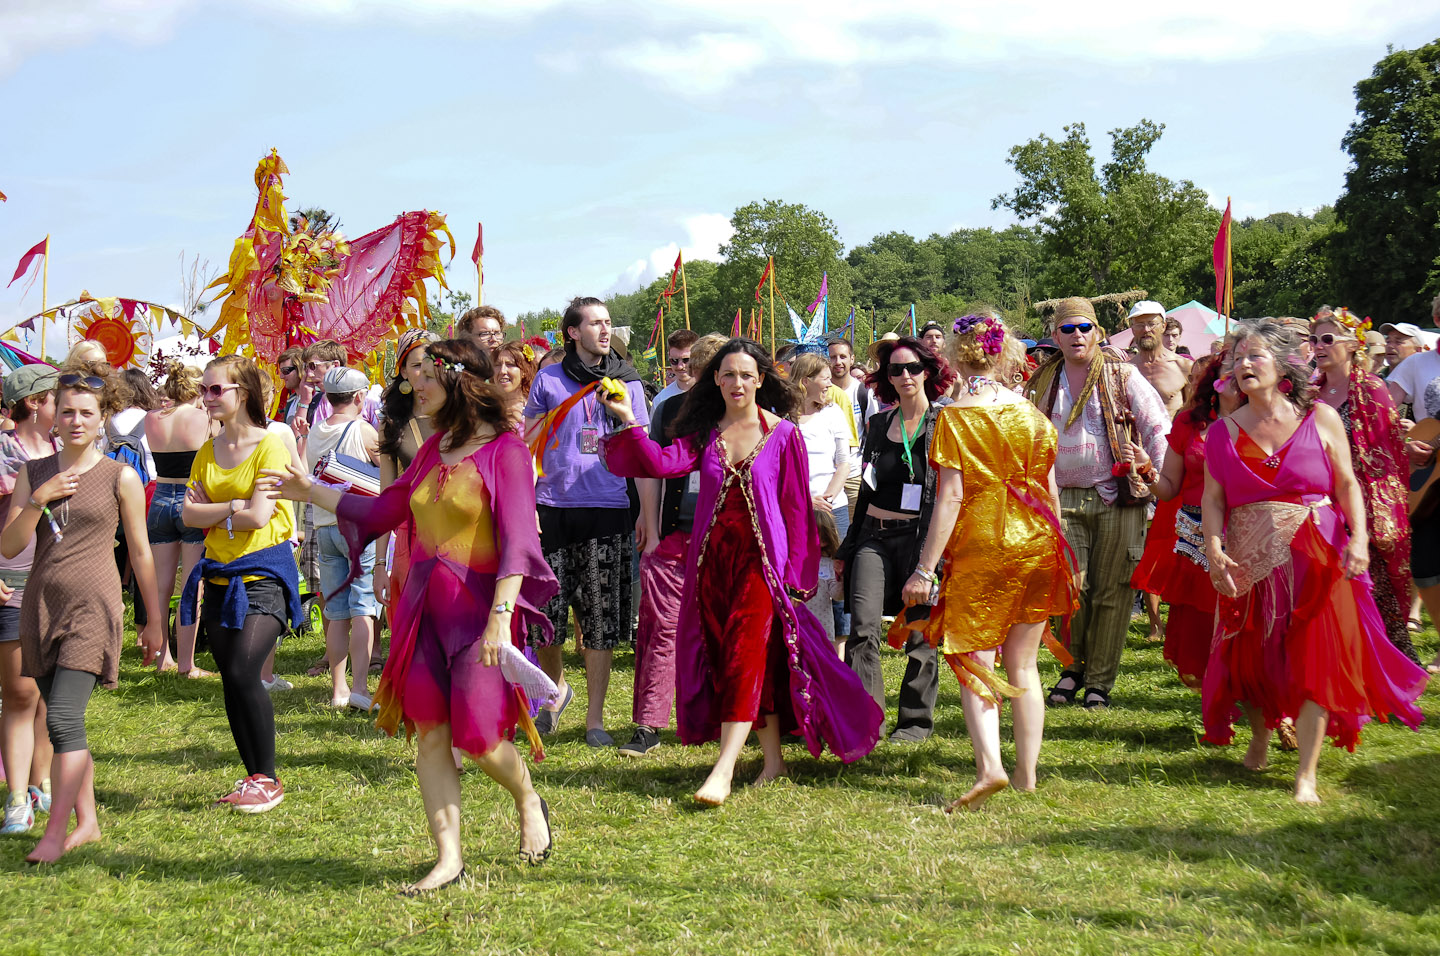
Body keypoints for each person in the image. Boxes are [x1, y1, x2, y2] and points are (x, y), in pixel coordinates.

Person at [265, 336, 557, 891]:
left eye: (424, 374)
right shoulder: (430, 449)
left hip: (479, 614)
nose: (412, 385)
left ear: (459, 378)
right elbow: (384, 507)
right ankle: (448, 857)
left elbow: (519, 542)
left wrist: (500, 616)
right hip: (422, 610)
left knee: (477, 737)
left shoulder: (507, 452)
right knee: (429, 732)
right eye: (411, 376)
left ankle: (528, 798)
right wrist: (312, 491)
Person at [599, 338, 882, 805]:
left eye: (746, 374)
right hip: (710, 567)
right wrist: (629, 421)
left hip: (761, 568)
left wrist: (799, 575)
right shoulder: (701, 433)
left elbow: (794, 508)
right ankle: (773, 762)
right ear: (715, 379)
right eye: (728, 374)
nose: (737, 383)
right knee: (752, 661)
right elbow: (660, 462)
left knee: (743, 658)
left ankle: (724, 769)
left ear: (761, 379)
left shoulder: (782, 434)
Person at [1199, 319, 1427, 804]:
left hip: (1318, 553)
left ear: (1283, 364)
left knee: (1316, 657)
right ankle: (1261, 734)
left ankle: (1306, 773)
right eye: (1237, 358)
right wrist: (1214, 546)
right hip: (1249, 555)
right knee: (1255, 654)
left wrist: (1360, 539)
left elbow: (1347, 484)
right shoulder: (1221, 433)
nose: (1243, 365)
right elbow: (1213, 499)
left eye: (1254, 356)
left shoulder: (1320, 418)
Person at [901, 314, 1076, 809]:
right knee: (1024, 663)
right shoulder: (1032, 414)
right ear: (1006, 356)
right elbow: (1051, 488)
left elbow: (950, 498)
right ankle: (1026, 774)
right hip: (1038, 541)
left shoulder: (955, 415)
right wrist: (1062, 549)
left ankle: (990, 768)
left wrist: (924, 568)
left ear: (957, 356)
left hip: (983, 542)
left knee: (976, 660)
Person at [1, 363, 165, 862]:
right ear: (54, 417)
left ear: (103, 418)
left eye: (86, 413)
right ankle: (88, 821)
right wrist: (38, 501)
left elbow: (140, 551)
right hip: (40, 606)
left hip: (94, 606)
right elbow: (9, 547)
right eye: (67, 411)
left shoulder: (122, 475)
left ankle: (54, 835)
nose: (75, 421)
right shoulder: (33, 473)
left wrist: (153, 620)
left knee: (65, 718)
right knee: (61, 724)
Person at [1025, 297, 1170, 710]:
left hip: (1118, 496)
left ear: (1098, 334)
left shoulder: (1122, 374)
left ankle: (1099, 682)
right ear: (1055, 336)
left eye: (1084, 328)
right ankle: (1072, 669)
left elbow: (1157, 427)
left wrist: (1162, 481)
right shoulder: (1041, 382)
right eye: (1067, 329)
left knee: (1114, 591)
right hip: (1059, 497)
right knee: (1072, 588)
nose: (1076, 336)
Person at [522, 296, 647, 746]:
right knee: (546, 617)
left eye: (609, 322)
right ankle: (555, 693)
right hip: (552, 508)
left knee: (600, 618)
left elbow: (641, 450)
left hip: (608, 509)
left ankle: (595, 719)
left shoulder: (627, 380)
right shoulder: (548, 379)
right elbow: (528, 444)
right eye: (595, 323)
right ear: (573, 333)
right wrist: (527, 505)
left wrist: (644, 515)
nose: (605, 330)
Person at [180, 355, 301, 813]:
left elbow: (258, 517)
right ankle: (254, 776)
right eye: (204, 390)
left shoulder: (271, 446)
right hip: (217, 575)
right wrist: (233, 508)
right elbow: (187, 515)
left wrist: (221, 509)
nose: (207, 398)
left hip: (264, 575)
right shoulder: (208, 450)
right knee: (232, 682)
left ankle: (268, 778)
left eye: (216, 390)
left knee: (241, 672)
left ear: (242, 393)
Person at [835, 336, 955, 742]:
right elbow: (866, 490)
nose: (905, 376)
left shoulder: (946, 423)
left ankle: (915, 722)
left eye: (913, 368)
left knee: (920, 631)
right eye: (895, 370)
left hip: (921, 540)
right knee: (863, 627)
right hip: (873, 535)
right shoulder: (876, 424)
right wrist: (847, 548)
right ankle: (868, 721)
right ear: (886, 378)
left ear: (929, 372)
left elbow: (951, 492)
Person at [625, 332, 727, 758]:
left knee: (724, 631)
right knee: (662, 628)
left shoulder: (752, 415)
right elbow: (649, 468)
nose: (693, 377)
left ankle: (730, 719)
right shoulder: (668, 409)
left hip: (726, 538)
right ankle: (649, 723)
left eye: (705, 371)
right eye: (692, 369)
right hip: (672, 533)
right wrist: (647, 522)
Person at [1310, 307, 1417, 662]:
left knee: (1375, 590)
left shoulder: (1371, 388)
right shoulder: (1309, 392)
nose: (1318, 347)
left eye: (1327, 339)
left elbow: (1387, 456)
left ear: (1353, 345)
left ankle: (1390, 664)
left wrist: (1372, 517)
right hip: (1320, 505)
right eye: (1314, 340)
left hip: (1364, 504)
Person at [1129, 354, 1242, 689]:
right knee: (1202, 633)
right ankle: (1218, 701)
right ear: (1216, 379)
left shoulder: (1267, 421)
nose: (1239, 374)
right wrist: (1146, 468)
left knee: (1254, 623)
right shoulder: (1188, 423)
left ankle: (1276, 710)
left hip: (1250, 532)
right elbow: (1168, 489)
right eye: (1230, 369)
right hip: (1197, 539)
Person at [0, 366, 58, 835]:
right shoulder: (4, 451)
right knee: (20, 691)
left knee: (48, 693)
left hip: (57, 584)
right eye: (58, 397)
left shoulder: (64, 453)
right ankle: (16, 798)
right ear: (35, 402)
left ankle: (43, 782)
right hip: (10, 583)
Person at [305, 366, 382, 709]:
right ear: (359, 397)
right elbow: (388, 472)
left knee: (335, 611)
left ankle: (338, 689)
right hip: (358, 526)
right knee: (363, 607)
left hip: (324, 525)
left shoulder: (314, 431)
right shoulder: (363, 430)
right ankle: (361, 688)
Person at [145, 360, 214, 677]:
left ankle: (162, 658)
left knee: (160, 585)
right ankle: (186, 663)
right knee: (191, 585)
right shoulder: (205, 418)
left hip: (159, 498)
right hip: (191, 499)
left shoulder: (151, 418)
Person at [375, 330, 440, 619]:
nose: (425, 373)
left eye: (433, 365)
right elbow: (385, 500)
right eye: (416, 366)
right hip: (410, 542)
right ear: (402, 371)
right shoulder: (392, 424)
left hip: (462, 541)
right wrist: (379, 565)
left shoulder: (463, 417)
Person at [791, 353, 852, 634]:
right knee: (800, 577)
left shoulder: (833, 413)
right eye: (824, 378)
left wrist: (827, 498)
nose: (830, 384)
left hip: (832, 509)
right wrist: (804, 499)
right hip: (795, 508)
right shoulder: (784, 417)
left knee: (836, 576)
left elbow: (843, 461)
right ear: (806, 381)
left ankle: (838, 648)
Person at [828, 338, 872, 517]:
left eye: (843, 357)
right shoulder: (820, 391)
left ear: (852, 359)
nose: (838, 362)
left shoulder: (862, 392)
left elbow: (870, 433)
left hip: (853, 474)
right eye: (832, 357)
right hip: (827, 476)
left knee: (854, 528)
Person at [1126, 301, 1192, 417]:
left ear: (1163, 326)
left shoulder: (1183, 367)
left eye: (1152, 324)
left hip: (1172, 434)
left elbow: (1194, 414)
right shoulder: (1125, 371)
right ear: (1132, 329)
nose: (1146, 329)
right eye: (1139, 325)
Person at [650, 330, 699, 422]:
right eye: (674, 361)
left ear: (697, 356)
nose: (680, 366)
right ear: (669, 356)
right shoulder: (660, 400)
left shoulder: (713, 393)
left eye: (686, 360)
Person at [492, 340, 538, 423]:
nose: (502, 371)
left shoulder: (536, 410)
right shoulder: (482, 410)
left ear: (524, 371)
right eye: (497, 365)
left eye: (510, 364)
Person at [275, 347, 305, 423]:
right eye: (280, 371)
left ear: (300, 369)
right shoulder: (291, 401)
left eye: (285, 371)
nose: (281, 376)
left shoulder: (315, 400)